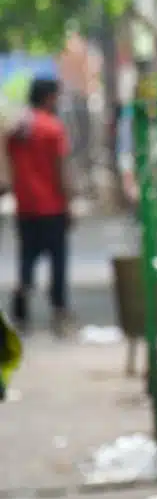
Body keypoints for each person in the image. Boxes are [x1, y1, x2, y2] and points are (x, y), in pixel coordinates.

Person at [5, 78, 71, 336]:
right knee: (58, 261)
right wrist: (69, 202)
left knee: (27, 259)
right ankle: (59, 312)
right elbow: (60, 170)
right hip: (52, 206)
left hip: (26, 206)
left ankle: (21, 311)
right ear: (48, 97)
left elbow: (8, 161)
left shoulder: (18, 129)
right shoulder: (53, 128)